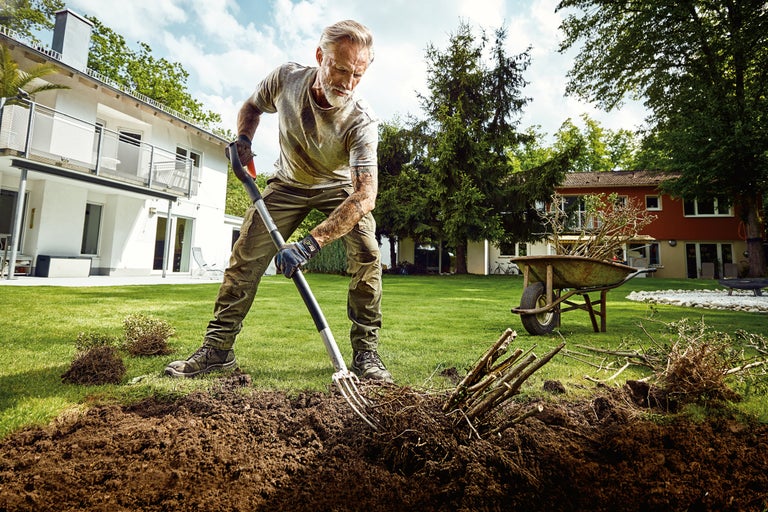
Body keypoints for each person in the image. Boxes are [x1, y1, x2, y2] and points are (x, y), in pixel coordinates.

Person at [165, 20, 392, 383]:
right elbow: (252, 107)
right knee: (245, 257)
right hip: (287, 183)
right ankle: (217, 350)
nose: (347, 84)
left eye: (357, 75)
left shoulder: (361, 121)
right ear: (320, 57)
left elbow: (365, 195)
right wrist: (243, 138)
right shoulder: (286, 79)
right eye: (340, 69)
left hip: (338, 190)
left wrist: (309, 244)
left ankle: (366, 355)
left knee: (367, 255)